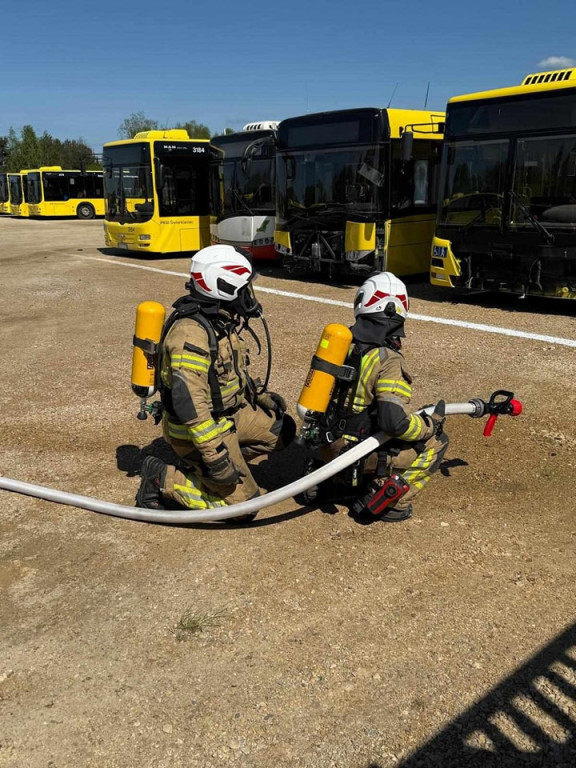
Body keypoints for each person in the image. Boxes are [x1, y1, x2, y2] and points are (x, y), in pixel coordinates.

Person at [135, 244, 296, 517]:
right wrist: (215, 456)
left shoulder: (220, 321)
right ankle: (164, 478)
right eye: (244, 288)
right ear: (224, 287)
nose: (249, 296)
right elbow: (191, 406)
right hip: (200, 429)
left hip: (230, 415)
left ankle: (218, 471)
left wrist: (259, 397)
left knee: (283, 430)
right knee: (245, 509)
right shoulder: (191, 334)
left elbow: (232, 373)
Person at [316, 271, 449, 522]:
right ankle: (390, 501)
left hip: (324, 444)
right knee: (437, 441)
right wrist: (428, 425)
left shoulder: (342, 343)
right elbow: (394, 423)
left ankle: (338, 484)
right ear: (397, 309)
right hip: (353, 454)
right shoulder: (387, 359)